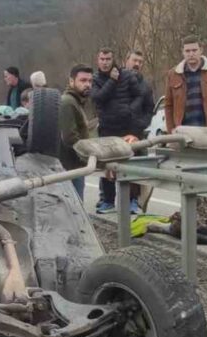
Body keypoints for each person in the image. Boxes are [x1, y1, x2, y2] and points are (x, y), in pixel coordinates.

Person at [92, 47, 146, 214]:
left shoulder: (127, 76)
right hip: (107, 128)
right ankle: (108, 201)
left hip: (127, 128)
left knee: (130, 165)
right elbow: (98, 98)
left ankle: (133, 201)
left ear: (113, 59)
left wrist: (131, 110)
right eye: (102, 59)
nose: (105, 62)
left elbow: (139, 95)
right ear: (98, 60)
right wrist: (112, 81)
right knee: (108, 167)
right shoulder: (95, 79)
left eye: (108, 59)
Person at [164, 35, 207, 130]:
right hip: (183, 131)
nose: (191, 54)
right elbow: (168, 105)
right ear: (182, 52)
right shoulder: (173, 74)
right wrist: (171, 131)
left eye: (194, 50)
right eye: (187, 51)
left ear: (201, 50)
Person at [59, 64, 97, 201]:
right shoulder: (67, 102)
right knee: (75, 208)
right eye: (83, 80)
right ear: (71, 81)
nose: (87, 84)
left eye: (90, 81)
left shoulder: (76, 101)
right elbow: (69, 137)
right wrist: (90, 155)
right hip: (70, 167)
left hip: (75, 166)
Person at [125, 49, 157, 133]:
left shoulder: (146, 86)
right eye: (134, 60)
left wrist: (141, 124)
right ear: (127, 60)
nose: (137, 64)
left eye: (140, 62)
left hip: (136, 134)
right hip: (114, 132)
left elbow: (149, 110)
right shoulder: (115, 81)